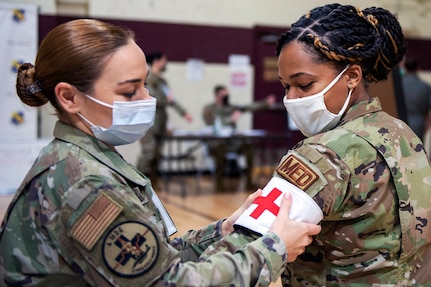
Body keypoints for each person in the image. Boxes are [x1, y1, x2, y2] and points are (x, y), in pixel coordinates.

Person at [0, 19, 322, 286]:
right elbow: (169, 283)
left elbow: (153, 258)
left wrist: (222, 229)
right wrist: (274, 249)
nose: (145, 98)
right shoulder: (85, 183)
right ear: (69, 98)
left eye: (145, 84)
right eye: (129, 91)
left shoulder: (88, 158)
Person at [205, 4, 431, 286]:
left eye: (305, 84)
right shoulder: (404, 134)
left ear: (352, 76)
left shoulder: (322, 154)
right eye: (286, 86)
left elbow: (239, 256)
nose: (293, 99)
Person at [202, 84, 276, 191]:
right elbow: (211, 123)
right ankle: (219, 184)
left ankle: (249, 182)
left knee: (248, 146)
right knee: (219, 148)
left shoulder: (232, 107)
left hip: (232, 143)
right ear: (217, 96)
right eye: (224, 95)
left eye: (227, 95)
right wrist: (230, 119)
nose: (227, 97)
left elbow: (249, 107)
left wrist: (265, 103)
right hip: (217, 143)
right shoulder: (209, 109)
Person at [136, 51, 192, 189]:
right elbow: (152, 98)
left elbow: (171, 99)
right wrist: (166, 100)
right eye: (164, 60)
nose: (165, 63)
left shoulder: (162, 81)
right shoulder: (147, 78)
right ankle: (136, 182)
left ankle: (153, 183)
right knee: (148, 152)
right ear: (157, 61)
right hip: (148, 123)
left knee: (157, 154)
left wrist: (183, 113)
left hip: (160, 123)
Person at [401, 55, 431, 140]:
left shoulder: (399, 85)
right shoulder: (424, 86)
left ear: (405, 68)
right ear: (418, 68)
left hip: (400, 120)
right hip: (419, 123)